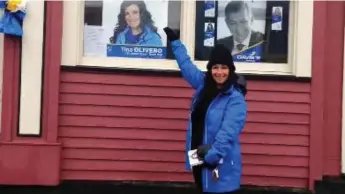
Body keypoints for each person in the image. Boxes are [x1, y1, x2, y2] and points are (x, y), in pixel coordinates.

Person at [163, 27, 248, 194]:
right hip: (199, 156)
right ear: (210, 69)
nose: (219, 72)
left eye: (224, 67)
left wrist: (212, 156)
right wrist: (175, 42)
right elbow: (186, 66)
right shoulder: (204, 86)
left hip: (218, 161)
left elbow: (228, 133)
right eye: (215, 67)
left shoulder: (235, 98)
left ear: (230, 69)